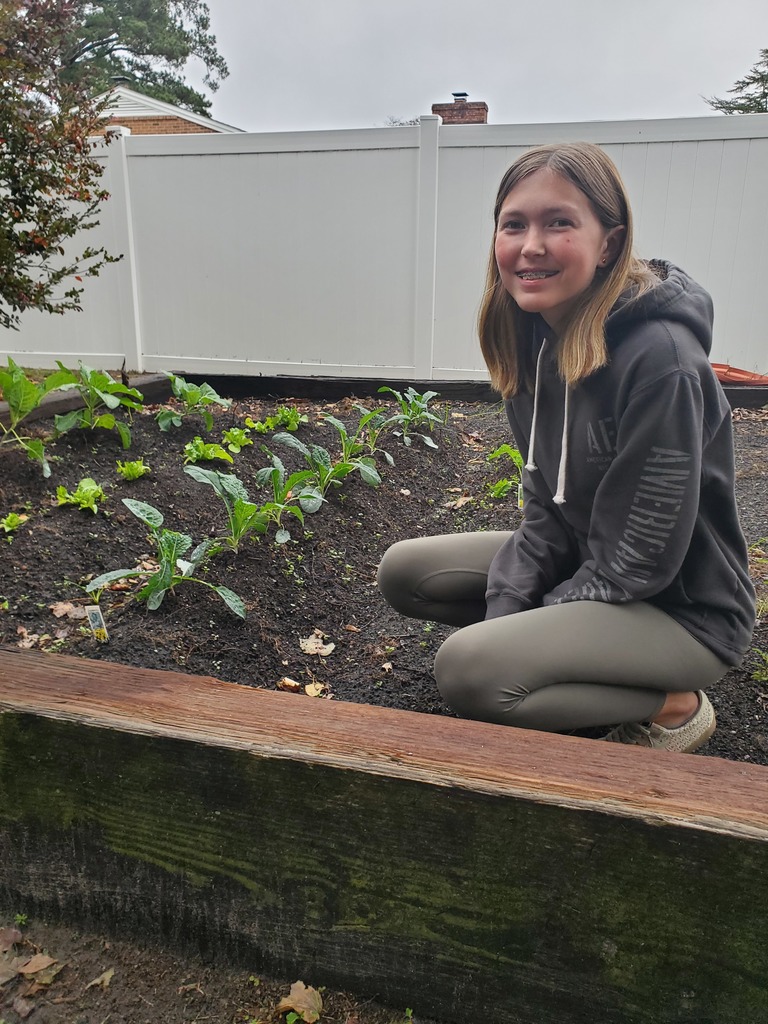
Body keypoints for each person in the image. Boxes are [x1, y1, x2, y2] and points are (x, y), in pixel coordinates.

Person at [377, 141, 755, 753]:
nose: (531, 246)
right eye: (514, 224)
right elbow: (543, 511)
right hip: (592, 563)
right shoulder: (535, 340)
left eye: (559, 223)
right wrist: (512, 610)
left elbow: (640, 555)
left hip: (681, 608)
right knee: (408, 574)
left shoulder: (662, 361)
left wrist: (534, 621)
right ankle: (557, 662)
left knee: (470, 673)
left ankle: (675, 704)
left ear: (609, 242)